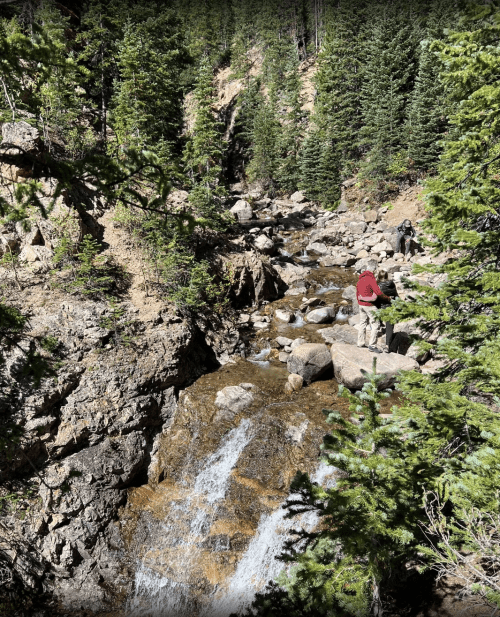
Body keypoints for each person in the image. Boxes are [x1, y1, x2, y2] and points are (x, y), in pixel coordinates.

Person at [356, 265, 392, 353]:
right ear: (373, 271)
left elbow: (357, 294)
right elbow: (378, 292)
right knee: (375, 324)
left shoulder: (360, 280)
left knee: (362, 323)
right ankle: (372, 345)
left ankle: (360, 343)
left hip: (361, 305)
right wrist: (387, 298)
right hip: (369, 305)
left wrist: (360, 300)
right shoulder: (371, 279)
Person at [376, 270, 399, 348]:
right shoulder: (392, 284)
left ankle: (379, 323)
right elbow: (396, 296)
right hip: (391, 307)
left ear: (379, 276)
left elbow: (376, 299)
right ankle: (387, 345)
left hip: (382, 308)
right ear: (386, 276)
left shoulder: (378, 286)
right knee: (389, 326)